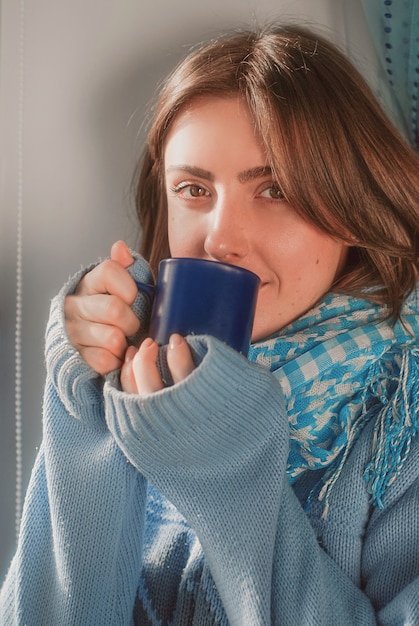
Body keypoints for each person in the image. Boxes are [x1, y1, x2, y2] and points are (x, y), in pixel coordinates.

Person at [1, 23, 419, 625]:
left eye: (274, 189)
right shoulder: (140, 380)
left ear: (352, 205)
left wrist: (224, 464)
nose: (220, 238)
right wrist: (90, 407)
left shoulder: (401, 420)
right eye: (193, 189)